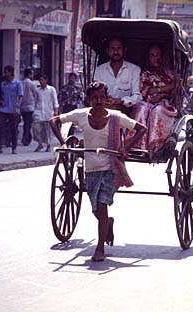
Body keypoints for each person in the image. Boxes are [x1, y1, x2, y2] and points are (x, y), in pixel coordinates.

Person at [49, 81, 147, 262]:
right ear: (88, 99)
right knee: (96, 210)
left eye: (102, 97)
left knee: (102, 206)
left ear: (106, 99)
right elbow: (54, 121)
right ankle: (107, 222)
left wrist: (126, 148)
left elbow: (141, 129)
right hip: (91, 170)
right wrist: (62, 142)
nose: (99, 101)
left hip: (110, 168)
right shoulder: (80, 115)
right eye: (95, 97)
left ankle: (100, 248)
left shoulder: (116, 117)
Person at [126, 44, 178, 152]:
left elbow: (176, 91)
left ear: (162, 56)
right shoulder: (145, 73)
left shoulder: (170, 73)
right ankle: (136, 143)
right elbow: (145, 90)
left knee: (157, 111)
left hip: (165, 104)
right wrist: (166, 88)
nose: (155, 58)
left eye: (158, 55)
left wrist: (162, 94)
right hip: (147, 102)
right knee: (141, 108)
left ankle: (155, 145)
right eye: (152, 55)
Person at [94, 37, 142, 114]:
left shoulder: (134, 70)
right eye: (112, 48)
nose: (115, 51)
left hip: (127, 109)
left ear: (124, 50)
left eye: (119, 48)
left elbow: (138, 96)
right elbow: (96, 93)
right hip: (104, 108)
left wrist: (119, 101)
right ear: (107, 51)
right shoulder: (99, 70)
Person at [0, 65, 23, 155]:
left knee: (13, 129)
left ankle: (14, 147)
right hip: (3, 109)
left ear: (10, 73)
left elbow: (21, 96)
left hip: (13, 110)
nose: (5, 74)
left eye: (6, 72)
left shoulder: (17, 84)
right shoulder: (3, 84)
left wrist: (18, 106)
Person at [32, 75, 59, 152]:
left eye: (42, 80)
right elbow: (36, 101)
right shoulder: (37, 90)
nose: (41, 82)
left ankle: (48, 145)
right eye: (40, 80)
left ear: (46, 80)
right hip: (38, 111)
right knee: (36, 128)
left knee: (47, 130)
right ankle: (40, 143)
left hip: (48, 112)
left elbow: (55, 101)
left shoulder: (51, 89)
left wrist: (56, 112)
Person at [21, 68, 38, 146]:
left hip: (23, 106)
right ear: (29, 74)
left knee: (26, 122)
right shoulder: (32, 84)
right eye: (32, 74)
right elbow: (36, 94)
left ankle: (27, 137)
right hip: (30, 106)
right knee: (28, 123)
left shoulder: (21, 83)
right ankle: (25, 138)